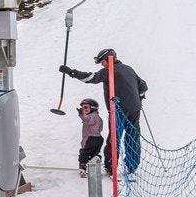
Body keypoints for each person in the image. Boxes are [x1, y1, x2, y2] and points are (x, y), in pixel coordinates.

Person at [62, 48, 147, 176]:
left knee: (114, 138)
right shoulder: (129, 69)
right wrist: (138, 98)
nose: (102, 64)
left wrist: (71, 72)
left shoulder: (110, 70)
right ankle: (132, 167)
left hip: (118, 110)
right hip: (134, 108)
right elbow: (143, 86)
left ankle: (111, 167)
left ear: (108, 59)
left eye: (102, 62)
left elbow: (91, 78)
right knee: (133, 137)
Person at [76, 98, 104, 178]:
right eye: (82, 108)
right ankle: (95, 165)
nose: (83, 110)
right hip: (98, 138)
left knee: (84, 152)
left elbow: (87, 119)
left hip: (91, 139)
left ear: (93, 108)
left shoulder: (93, 116)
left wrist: (81, 115)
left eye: (85, 108)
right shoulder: (97, 117)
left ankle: (83, 168)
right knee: (94, 154)